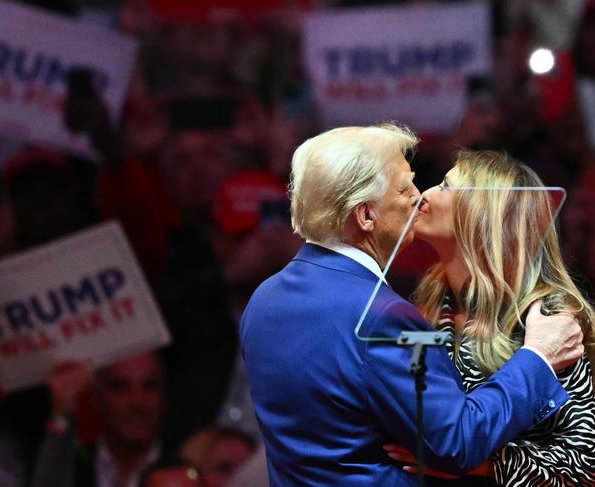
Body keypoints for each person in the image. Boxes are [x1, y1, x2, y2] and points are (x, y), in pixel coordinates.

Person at [240, 123, 584, 485]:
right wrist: (539, 357)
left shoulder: (263, 299)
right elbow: (456, 442)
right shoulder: (384, 315)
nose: (420, 196)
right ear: (366, 216)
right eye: (405, 188)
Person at [387, 150, 595, 485]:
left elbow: (585, 462)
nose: (424, 194)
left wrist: (481, 463)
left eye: (445, 185)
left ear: (482, 213)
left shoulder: (545, 315)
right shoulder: (431, 304)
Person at [31, 351, 166, 487]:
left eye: (150, 386)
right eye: (120, 387)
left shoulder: (183, 465)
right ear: (95, 397)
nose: (137, 401)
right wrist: (62, 414)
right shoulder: (74, 468)